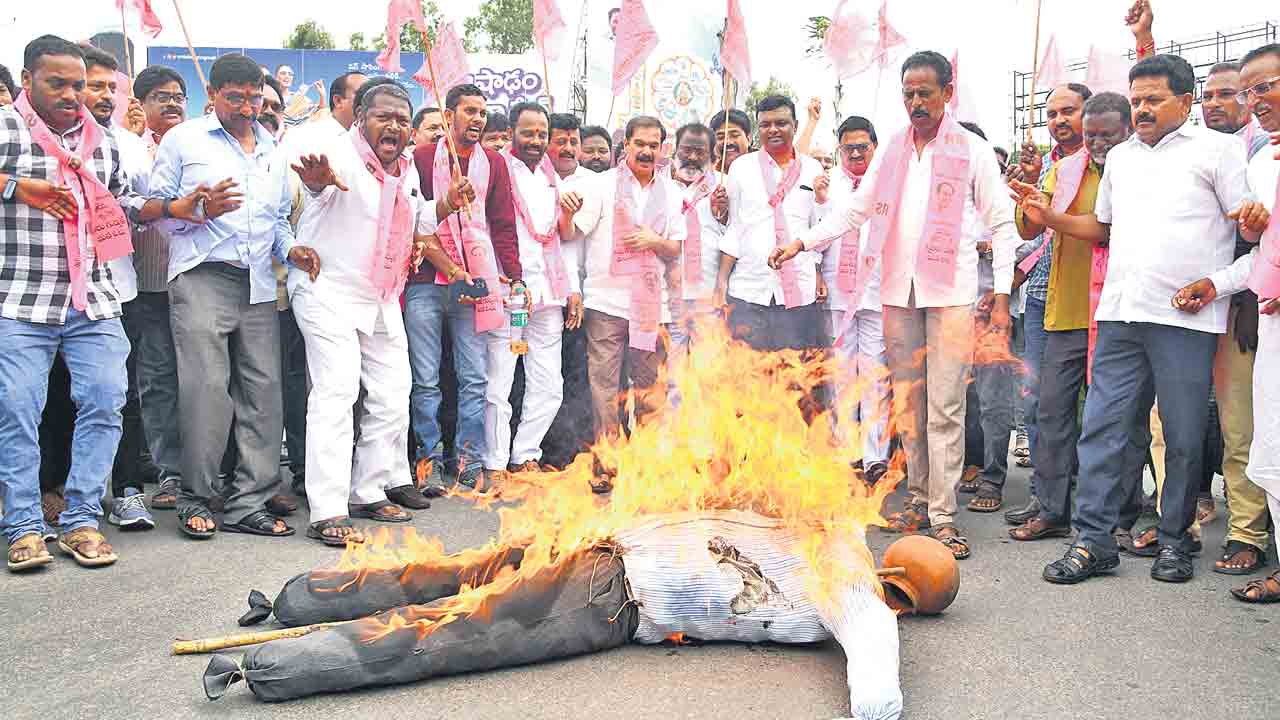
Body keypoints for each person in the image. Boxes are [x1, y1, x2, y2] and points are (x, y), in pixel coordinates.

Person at [204, 514, 956, 720]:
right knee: (453, 629)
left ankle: (293, 600)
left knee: (450, 577)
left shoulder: (819, 523)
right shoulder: (850, 570)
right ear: (898, 587)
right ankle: (269, 661)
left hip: (604, 540)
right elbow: (878, 676)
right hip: (611, 586)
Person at [1012, 54, 1265, 584]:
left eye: (1154, 99)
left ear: (1186, 102)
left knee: (1182, 435)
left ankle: (1175, 540)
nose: (1143, 109)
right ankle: (1094, 541)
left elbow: (1253, 235)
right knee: (1103, 428)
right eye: (1137, 100)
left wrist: (1216, 285)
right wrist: (1048, 216)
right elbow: (1102, 227)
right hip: (1121, 314)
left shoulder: (1219, 151)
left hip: (1186, 319)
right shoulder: (1120, 159)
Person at [774, 51, 1019, 560]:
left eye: (924, 92)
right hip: (896, 293)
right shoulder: (892, 152)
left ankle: (943, 515)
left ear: (947, 93)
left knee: (945, 405)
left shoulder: (972, 151)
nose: (915, 102)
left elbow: (1002, 221)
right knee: (909, 401)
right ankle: (919, 497)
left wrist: (1001, 295)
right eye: (908, 93)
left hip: (951, 293)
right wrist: (804, 243)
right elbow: (855, 211)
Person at [0, 36, 200, 571]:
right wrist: (17, 188)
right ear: (27, 81)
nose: (72, 94)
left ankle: (82, 520)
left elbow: (121, 200)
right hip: (20, 300)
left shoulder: (103, 141)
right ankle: (22, 525)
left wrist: (171, 206)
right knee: (19, 411)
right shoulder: (6, 128)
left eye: (79, 85)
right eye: (57, 84)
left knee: (106, 403)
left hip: (94, 300)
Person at [149, 53, 319, 540]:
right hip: (202, 275)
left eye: (255, 99)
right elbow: (152, 210)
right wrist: (193, 209)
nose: (247, 108)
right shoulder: (185, 140)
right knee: (206, 390)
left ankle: (250, 502)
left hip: (260, 284)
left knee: (264, 395)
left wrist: (294, 250)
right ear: (214, 96)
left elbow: (276, 223)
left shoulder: (271, 148)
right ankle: (195, 495)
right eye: (236, 98)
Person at [287, 80, 436, 544]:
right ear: (359, 119)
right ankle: (327, 510)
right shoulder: (335, 155)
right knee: (337, 392)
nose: (394, 125)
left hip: (380, 297)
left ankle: (369, 489)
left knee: (394, 394)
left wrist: (446, 206)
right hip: (326, 290)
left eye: (401, 118)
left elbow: (413, 222)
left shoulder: (407, 168)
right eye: (383, 116)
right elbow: (318, 188)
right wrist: (316, 185)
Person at [1006, 92, 1147, 549]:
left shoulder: (1134, 168)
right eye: (1092, 135)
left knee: (1117, 420)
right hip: (1064, 308)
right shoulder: (1064, 169)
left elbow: (1107, 229)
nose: (1099, 142)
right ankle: (1052, 511)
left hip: (1119, 311)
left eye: (1108, 133)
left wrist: (1053, 217)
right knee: (1051, 414)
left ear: (1126, 129)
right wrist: (1029, 201)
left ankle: (1121, 516)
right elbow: (1032, 227)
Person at [407, 83, 523, 492]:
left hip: (475, 282)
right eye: (469, 111)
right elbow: (410, 220)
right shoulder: (420, 158)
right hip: (426, 281)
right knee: (425, 379)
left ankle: (469, 461)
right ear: (449, 114)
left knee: (474, 378)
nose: (477, 119)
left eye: (482, 112)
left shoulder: (495, 162)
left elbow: (504, 224)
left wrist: (514, 272)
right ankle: (429, 463)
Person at [562, 116, 685, 491]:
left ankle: (646, 467)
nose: (647, 151)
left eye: (654, 144)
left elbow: (676, 248)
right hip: (607, 303)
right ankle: (607, 465)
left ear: (663, 149)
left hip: (652, 306)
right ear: (625, 146)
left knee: (650, 390)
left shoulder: (673, 192)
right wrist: (566, 211)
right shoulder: (600, 186)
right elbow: (570, 233)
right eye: (640, 144)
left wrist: (654, 240)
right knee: (604, 388)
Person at [1206, 41, 1280, 602]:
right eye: (1251, 90)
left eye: (1265, 86)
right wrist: (1218, 284)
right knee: (1269, 449)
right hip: (1264, 317)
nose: (1258, 100)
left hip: (1260, 317)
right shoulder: (1261, 162)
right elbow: (1258, 250)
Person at [72, 45, 156, 530]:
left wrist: (174, 208)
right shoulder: (35, 143)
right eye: (93, 85)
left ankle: (125, 490)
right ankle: (56, 491)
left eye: (111, 86)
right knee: (56, 400)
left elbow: (141, 204)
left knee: (119, 397)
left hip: (116, 290)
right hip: (46, 296)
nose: (103, 95)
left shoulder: (125, 144)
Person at [1003, 82, 1092, 524]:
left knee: (1100, 413)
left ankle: (1103, 511)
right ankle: (1046, 498)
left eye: (1068, 111)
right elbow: (1028, 231)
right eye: (1052, 113)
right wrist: (1030, 185)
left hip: (1093, 303)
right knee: (1041, 404)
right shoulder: (1054, 168)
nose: (1059, 121)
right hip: (1043, 299)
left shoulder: (1105, 163)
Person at [482, 102, 577, 479]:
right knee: (501, 379)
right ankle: (493, 462)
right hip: (512, 293)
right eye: (528, 133)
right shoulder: (497, 168)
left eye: (542, 134)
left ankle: (524, 456)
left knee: (548, 383)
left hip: (548, 296)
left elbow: (559, 239)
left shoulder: (552, 178)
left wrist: (571, 289)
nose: (536, 141)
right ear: (512, 133)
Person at [716, 95, 827, 353]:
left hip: (800, 289)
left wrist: (819, 273)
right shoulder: (741, 168)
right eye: (765, 124)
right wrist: (721, 283)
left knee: (795, 378)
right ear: (758, 129)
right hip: (749, 288)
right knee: (747, 376)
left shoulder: (812, 169)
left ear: (796, 126)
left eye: (781, 123)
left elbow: (817, 229)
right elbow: (734, 228)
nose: (773, 130)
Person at [128, 65, 189, 511]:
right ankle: (170, 472)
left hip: (199, 282)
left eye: (178, 96)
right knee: (160, 381)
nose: (172, 103)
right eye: (161, 96)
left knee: (204, 381)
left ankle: (209, 468)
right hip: (149, 286)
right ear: (141, 104)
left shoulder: (200, 146)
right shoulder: (131, 151)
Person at [823, 115, 890, 485]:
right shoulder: (828, 183)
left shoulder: (889, 180)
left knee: (874, 376)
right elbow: (817, 228)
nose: (854, 154)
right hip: (837, 291)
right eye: (847, 148)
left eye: (862, 147)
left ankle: (874, 457)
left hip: (878, 291)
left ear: (875, 147)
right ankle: (847, 452)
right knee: (842, 375)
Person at [542, 114, 601, 470]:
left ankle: (577, 453)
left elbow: (574, 240)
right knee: (540, 378)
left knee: (578, 376)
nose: (567, 149)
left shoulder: (595, 183)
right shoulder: (531, 179)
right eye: (559, 141)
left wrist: (575, 290)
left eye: (573, 142)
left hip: (582, 295)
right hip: (541, 296)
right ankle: (547, 453)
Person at [667, 121, 724, 362]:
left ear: (712, 156)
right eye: (686, 150)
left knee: (706, 365)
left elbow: (736, 237)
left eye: (700, 152)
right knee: (671, 363)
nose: (692, 157)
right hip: (667, 294)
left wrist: (724, 212)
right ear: (674, 152)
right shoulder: (660, 186)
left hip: (708, 294)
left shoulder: (724, 187)